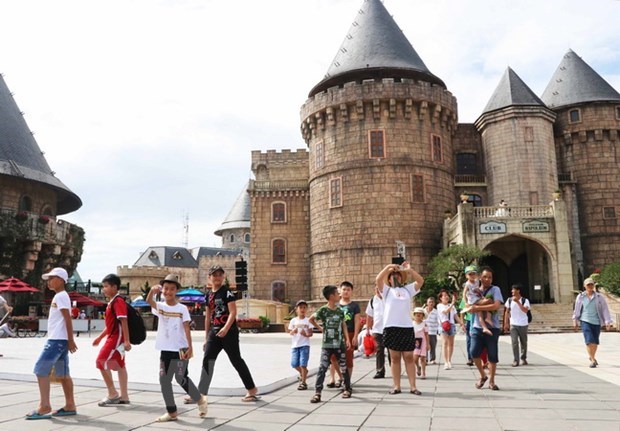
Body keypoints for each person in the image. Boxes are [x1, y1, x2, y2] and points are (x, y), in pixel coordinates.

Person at [146, 274, 207, 422]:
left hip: (181, 349)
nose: (168, 292)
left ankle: (200, 400)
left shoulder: (182, 308)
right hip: (165, 349)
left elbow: (186, 327)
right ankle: (171, 412)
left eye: (172, 289)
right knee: (164, 380)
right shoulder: (160, 306)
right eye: (166, 288)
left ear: (176, 291)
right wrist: (152, 292)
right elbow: (149, 301)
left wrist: (190, 347)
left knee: (181, 378)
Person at [198, 265, 259, 402]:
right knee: (207, 360)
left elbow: (233, 312)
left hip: (229, 332)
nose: (217, 277)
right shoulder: (208, 295)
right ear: (210, 278)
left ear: (223, 277)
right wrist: (206, 337)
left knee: (236, 360)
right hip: (214, 332)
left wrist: (225, 328)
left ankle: (251, 389)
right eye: (214, 275)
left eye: (220, 274)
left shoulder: (227, 293)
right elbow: (208, 317)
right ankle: (201, 393)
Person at [26, 267, 77, 420]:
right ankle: (70, 405)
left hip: (56, 341)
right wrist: (68, 340)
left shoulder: (60, 296)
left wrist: (71, 340)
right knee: (62, 374)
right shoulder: (62, 296)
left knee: (40, 369)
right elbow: (66, 319)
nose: (49, 281)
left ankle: (44, 406)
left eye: (52, 278)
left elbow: (67, 319)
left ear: (61, 280)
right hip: (60, 340)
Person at [376, 262, 424, 395]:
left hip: (406, 327)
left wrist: (410, 271)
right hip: (391, 327)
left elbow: (420, 281)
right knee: (395, 357)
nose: (395, 277)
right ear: (389, 279)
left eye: (397, 275)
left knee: (409, 356)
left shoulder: (407, 290)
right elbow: (378, 279)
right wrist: (387, 268)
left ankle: (413, 386)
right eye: (392, 276)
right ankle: (396, 386)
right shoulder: (386, 290)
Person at [308, 285, 352, 403]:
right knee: (322, 368)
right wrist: (321, 329)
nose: (339, 295)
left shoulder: (340, 311)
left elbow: (343, 325)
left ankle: (347, 389)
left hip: (339, 344)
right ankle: (318, 393)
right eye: (337, 293)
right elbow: (311, 319)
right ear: (331, 296)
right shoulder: (323, 310)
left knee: (343, 367)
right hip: (327, 345)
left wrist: (347, 339)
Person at [93, 274, 131, 406]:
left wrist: (126, 340)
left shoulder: (118, 301)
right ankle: (124, 396)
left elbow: (123, 320)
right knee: (120, 366)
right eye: (103, 286)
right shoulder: (113, 302)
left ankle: (113, 393)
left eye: (106, 286)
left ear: (115, 287)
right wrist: (100, 337)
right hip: (115, 337)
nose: (104, 289)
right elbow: (111, 325)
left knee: (100, 361)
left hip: (116, 339)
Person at [469, 266, 503, 391]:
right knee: (474, 352)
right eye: (485, 277)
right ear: (480, 277)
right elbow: (469, 304)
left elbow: (495, 306)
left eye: (490, 277)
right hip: (477, 327)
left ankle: (492, 381)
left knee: (492, 355)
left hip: (492, 327)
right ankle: (483, 376)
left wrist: (477, 308)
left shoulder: (495, 289)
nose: (487, 279)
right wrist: (476, 306)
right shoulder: (475, 290)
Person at [572, 278, 613, 368]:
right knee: (589, 341)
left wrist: (607, 321)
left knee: (595, 342)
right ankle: (593, 360)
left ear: (593, 286)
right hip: (585, 320)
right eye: (588, 285)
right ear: (584, 286)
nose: (590, 286)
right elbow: (577, 309)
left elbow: (605, 309)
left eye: (591, 285)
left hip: (597, 321)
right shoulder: (581, 296)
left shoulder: (599, 297)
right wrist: (575, 320)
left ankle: (592, 357)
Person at [327, 281, 360, 388]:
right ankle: (337, 377)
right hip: (336, 334)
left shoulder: (354, 306)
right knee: (332, 357)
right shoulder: (335, 304)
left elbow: (357, 321)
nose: (346, 292)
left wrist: (355, 336)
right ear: (340, 291)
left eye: (348, 290)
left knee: (348, 358)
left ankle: (347, 381)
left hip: (349, 334)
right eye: (344, 289)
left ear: (351, 292)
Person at [288, 299, 314, 390]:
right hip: (295, 345)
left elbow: (311, 333)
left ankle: (303, 382)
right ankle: (304, 373)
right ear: (296, 309)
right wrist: (293, 331)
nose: (302, 309)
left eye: (304, 308)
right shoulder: (293, 320)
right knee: (294, 364)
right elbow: (290, 332)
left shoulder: (308, 321)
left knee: (303, 364)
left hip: (305, 345)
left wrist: (305, 334)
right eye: (300, 307)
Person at [461, 266, 494, 335]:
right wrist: (466, 302)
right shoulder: (467, 284)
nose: (472, 276)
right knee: (486, 303)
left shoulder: (476, 281)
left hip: (478, 297)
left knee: (481, 312)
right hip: (473, 300)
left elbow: (480, 283)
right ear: (466, 276)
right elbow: (464, 294)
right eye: (470, 274)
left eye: (473, 274)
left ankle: (487, 320)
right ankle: (481, 327)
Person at [503, 283, 530, 367]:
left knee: (524, 342)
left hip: (523, 324)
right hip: (513, 324)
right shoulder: (509, 300)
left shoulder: (525, 300)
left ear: (518, 291)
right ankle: (516, 360)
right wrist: (506, 323)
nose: (512, 291)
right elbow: (507, 312)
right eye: (512, 289)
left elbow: (525, 310)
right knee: (514, 342)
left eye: (513, 289)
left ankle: (523, 357)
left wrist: (518, 302)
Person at [437, 289, 464, 370]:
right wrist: (452, 303)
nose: (446, 297)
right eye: (444, 295)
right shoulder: (439, 305)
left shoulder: (452, 306)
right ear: (441, 298)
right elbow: (445, 312)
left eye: (447, 295)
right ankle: (445, 362)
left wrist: (461, 324)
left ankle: (449, 360)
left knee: (451, 344)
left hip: (451, 325)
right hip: (444, 325)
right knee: (444, 343)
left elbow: (455, 316)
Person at [365, 291, 389, 378]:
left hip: (389, 328)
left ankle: (394, 367)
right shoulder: (372, 300)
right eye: (376, 288)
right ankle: (380, 371)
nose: (378, 290)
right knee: (379, 350)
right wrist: (367, 329)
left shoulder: (389, 297)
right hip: (377, 330)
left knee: (391, 351)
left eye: (380, 288)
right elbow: (369, 315)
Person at [412, 307, 429, 380]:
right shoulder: (411, 324)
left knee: (423, 358)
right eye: (417, 314)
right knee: (414, 358)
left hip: (423, 342)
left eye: (420, 314)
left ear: (423, 315)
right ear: (414, 315)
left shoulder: (424, 324)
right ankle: (418, 367)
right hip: (415, 342)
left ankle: (423, 372)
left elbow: (426, 334)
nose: (418, 315)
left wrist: (428, 344)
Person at [423, 297, 438, 365]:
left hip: (433, 331)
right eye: (429, 302)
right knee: (424, 345)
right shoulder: (423, 311)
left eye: (432, 302)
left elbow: (439, 321)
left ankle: (433, 359)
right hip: (424, 332)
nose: (431, 303)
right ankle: (425, 359)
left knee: (433, 346)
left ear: (434, 303)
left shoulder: (436, 312)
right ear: (427, 303)